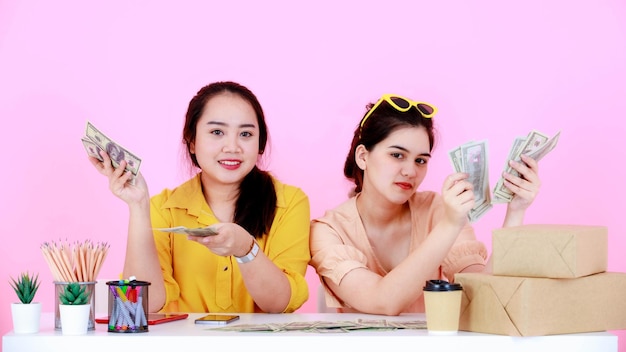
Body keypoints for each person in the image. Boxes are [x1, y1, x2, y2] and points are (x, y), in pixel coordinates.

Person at [89, 81, 311, 314]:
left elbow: (279, 304)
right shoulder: (164, 209)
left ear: (260, 144)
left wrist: (246, 249)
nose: (232, 146)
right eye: (217, 132)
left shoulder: (289, 203)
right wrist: (138, 205)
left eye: (245, 134)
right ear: (192, 141)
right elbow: (143, 305)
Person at [309, 94, 541, 315]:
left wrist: (516, 211)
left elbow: (483, 295)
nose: (410, 171)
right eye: (397, 155)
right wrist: (449, 225)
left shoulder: (438, 210)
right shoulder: (329, 230)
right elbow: (383, 302)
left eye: (420, 160)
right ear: (363, 156)